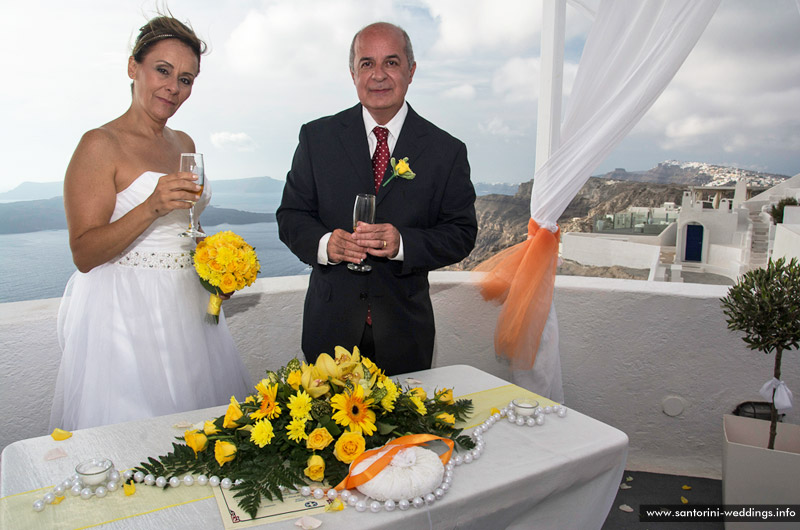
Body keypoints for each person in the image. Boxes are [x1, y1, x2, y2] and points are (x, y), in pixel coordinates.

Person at [49, 15, 252, 431]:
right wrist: (150, 207)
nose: (173, 87)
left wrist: (216, 270)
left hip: (189, 313)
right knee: (136, 436)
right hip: (126, 316)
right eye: (163, 70)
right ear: (132, 67)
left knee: (200, 432)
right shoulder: (100, 144)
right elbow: (84, 253)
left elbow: (187, 228)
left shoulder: (184, 143)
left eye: (186, 79)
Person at [277, 22, 477, 376]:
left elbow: (461, 233)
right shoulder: (316, 138)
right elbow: (291, 216)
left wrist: (403, 244)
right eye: (367, 63)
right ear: (352, 73)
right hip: (329, 333)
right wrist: (325, 244)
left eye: (392, 62)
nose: (378, 75)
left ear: (411, 71)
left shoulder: (446, 151)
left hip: (406, 336)